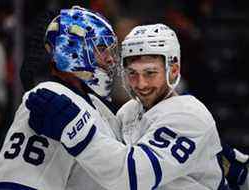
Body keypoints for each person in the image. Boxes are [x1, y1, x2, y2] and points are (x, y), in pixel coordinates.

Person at [26, 23, 231, 189]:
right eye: (132, 73)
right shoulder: (129, 112)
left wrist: (75, 129)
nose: (141, 84)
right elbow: (107, 164)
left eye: (150, 73)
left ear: (174, 70)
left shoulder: (188, 115)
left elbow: (133, 176)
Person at [0, 6, 120, 190]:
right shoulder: (50, 99)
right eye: (101, 48)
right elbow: (16, 182)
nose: (110, 59)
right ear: (72, 49)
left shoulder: (99, 107)